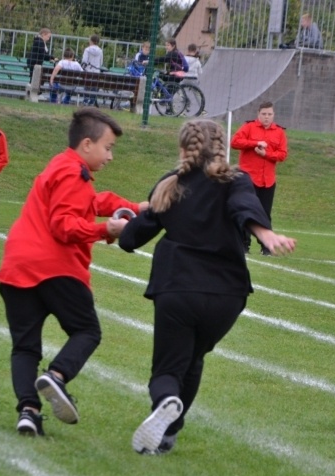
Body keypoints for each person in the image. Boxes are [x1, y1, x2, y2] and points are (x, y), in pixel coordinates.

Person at [119, 119, 297, 455]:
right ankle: (168, 435)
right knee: (194, 358)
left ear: (183, 149)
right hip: (226, 295)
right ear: (221, 147)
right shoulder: (236, 180)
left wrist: (121, 226)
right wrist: (265, 234)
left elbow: (131, 239)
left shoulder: (170, 185)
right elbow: (244, 207)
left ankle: (166, 404)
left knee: (168, 369)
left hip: (178, 289)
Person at [0, 108, 149, 436]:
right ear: (87, 144)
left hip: (17, 267)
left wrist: (137, 207)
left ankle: (28, 411)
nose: (111, 156)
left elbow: (92, 201)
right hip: (53, 267)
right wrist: (105, 230)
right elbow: (64, 225)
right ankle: (58, 376)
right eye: (108, 148)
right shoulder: (73, 173)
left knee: (25, 347)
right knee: (87, 331)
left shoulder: (63, 166)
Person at [230, 102, 288, 255]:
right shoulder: (249, 127)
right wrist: (254, 143)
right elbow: (235, 142)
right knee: (245, 211)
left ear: (273, 115)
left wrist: (266, 154)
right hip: (249, 179)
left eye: (269, 114)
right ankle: (243, 244)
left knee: (264, 213)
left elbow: (282, 154)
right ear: (258, 114)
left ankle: (266, 246)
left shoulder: (279, 132)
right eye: (264, 114)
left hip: (267, 180)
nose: (266, 117)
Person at [81, 34, 104, 105]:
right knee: (94, 87)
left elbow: (84, 61)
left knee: (87, 86)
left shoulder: (87, 49)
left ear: (91, 41)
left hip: (88, 71)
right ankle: (92, 101)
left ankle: (85, 100)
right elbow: (101, 62)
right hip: (96, 72)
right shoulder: (100, 51)